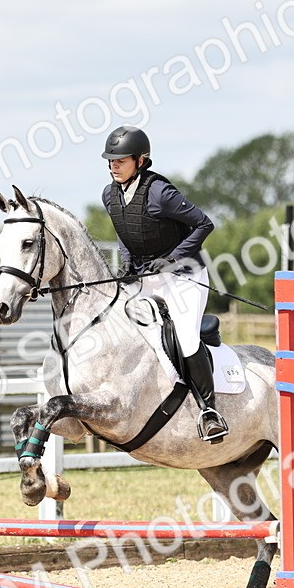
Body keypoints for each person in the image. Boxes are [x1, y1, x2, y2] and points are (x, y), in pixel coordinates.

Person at [100, 124, 228, 441]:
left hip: (185, 277)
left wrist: (172, 259)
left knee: (184, 338)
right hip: (147, 278)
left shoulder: (160, 193)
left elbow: (203, 224)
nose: (114, 166)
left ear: (141, 161)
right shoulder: (109, 195)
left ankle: (209, 411)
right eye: (111, 160)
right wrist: (127, 264)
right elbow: (125, 232)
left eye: (121, 160)